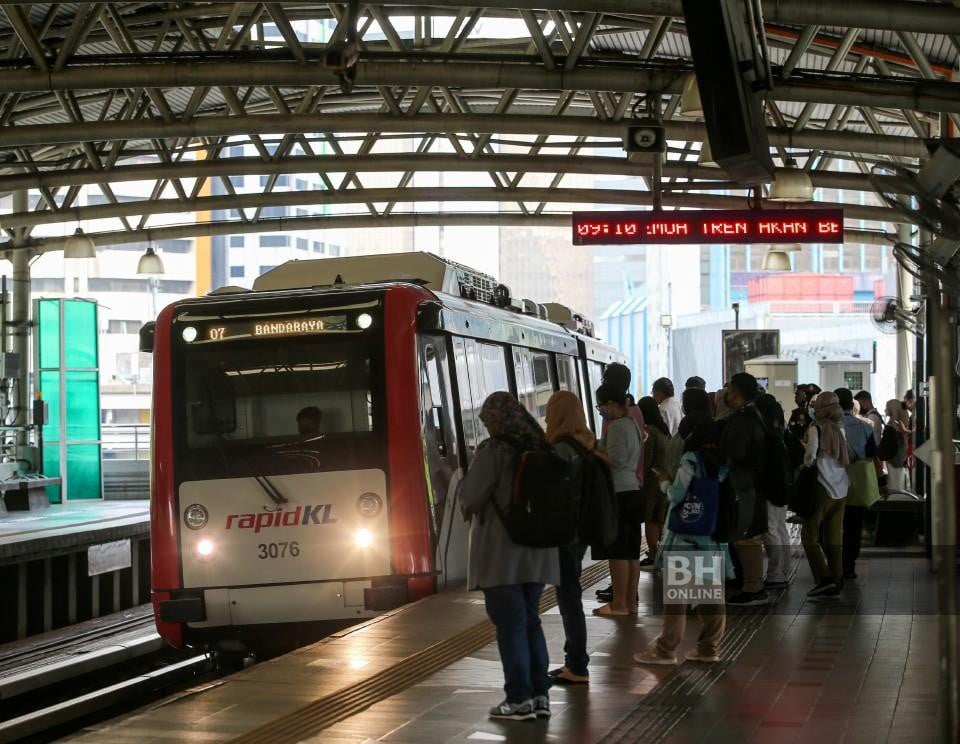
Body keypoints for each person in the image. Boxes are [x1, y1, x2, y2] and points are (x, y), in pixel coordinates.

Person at [459, 392, 560, 721]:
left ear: (496, 419)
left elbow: (471, 497)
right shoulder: (541, 446)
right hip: (539, 553)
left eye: (488, 420)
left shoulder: (494, 451)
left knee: (511, 626)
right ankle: (539, 695)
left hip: (503, 555)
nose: (487, 426)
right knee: (530, 622)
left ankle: (518, 698)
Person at [633, 411, 732, 666]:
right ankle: (709, 648)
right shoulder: (724, 463)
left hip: (686, 538)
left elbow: (677, 494)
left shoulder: (691, 459)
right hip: (712, 537)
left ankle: (665, 650)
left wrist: (664, 482)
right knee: (710, 596)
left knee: (677, 598)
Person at [544, 391, 593, 685]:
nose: (547, 417)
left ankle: (577, 663)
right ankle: (575, 660)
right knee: (571, 593)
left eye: (550, 411)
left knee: (569, 596)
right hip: (581, 528)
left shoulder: (561, 449)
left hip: (565, 530)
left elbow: (551, 491)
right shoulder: (587, 444)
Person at [719, 373, 770, 606]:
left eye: (728, 390)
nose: (726, 394)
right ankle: (751, 584)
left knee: (747, 537)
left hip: (743, 485)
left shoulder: (743, 419)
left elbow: (735, 453)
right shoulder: (752, 414)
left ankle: (754, 587)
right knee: (747, 536)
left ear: (736, 392)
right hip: (750, 483)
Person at [592, 383, 644, 616]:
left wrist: (592, 449)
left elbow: (616, 460)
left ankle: (619, 603)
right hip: (633, 490)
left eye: (601, 406)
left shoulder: (616, 427)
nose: (601, 410)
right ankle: (630, 602)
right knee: (632, 551)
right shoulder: (632, 424)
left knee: (618, 551)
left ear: (612, 404)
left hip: (619, 494)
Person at [801, 391, 850, 598]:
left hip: (822, 486)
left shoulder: (816, 428)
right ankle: (837, 579)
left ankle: (824, 579)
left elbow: (810, 456)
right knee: (833, 537)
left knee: (809, 535)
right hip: (841, 487)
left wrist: (804, 463)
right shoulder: (840, 428)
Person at [836, 388, 879, 581]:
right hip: (858, 482)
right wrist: (882, 481)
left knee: (834, 525)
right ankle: (849, 566)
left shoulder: (828, 427)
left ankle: (834, 563)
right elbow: (872, 455)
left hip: (834, 481)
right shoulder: (866, 427)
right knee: (854, 527)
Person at [754, 393, 792, 589]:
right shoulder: (780, 434)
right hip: (783, 487)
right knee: (779, 528)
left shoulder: (768, 438)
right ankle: (784, 570)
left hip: (772, 489)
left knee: (771, 530)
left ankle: (776, 574)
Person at [637, 396, 672, 569]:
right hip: (664, 478)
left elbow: (646, 460)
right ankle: (661, 553)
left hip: (652, 481)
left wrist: (638, 478)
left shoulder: (649, 431)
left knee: (651, 519)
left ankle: (652, 554)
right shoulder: (664, 430)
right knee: (659, 518)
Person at [883, 399, 910, 493]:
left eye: (887, 407)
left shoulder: (893, 427)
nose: (885, 409)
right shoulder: (902, 425)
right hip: (899, 460)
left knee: (894, 485)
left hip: (894, 461)